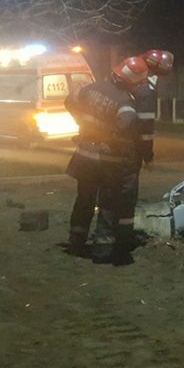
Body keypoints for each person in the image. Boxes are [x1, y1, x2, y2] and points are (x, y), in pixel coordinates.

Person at [65, 56, 149, 265]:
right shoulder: (124, 101)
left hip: (84, 155)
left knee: (84, 199)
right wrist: (111, 138)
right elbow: (127, 123)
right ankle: (102, 251)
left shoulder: (90, 89)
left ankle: (76, 243)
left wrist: (82, 123)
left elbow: (69, 102)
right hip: (106, 161)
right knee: (108, 203)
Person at [133, 50, 174, 169]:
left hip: (115, 143)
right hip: (132, 147)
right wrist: (148, 157)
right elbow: (146, 127)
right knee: (128, 183)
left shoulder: (134, 84)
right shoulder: (147, 90)